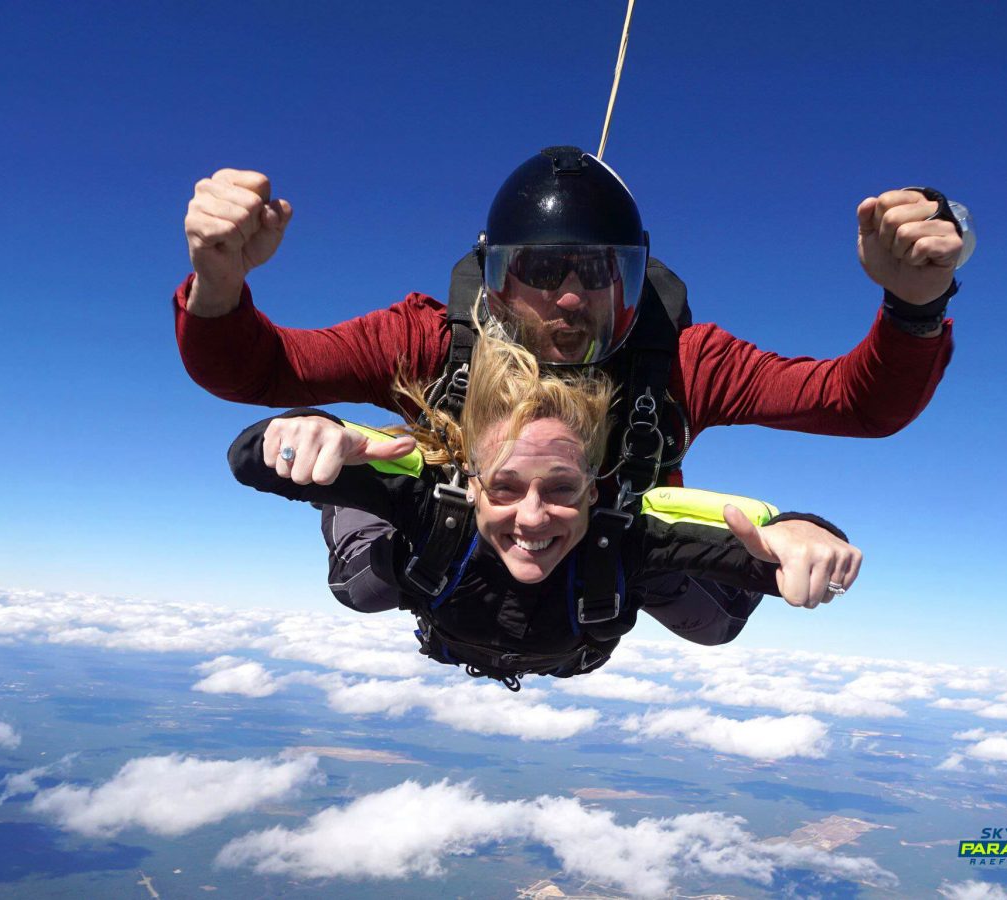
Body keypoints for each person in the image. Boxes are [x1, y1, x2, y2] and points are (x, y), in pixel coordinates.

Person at [179, 146, 962, 639]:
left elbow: (855, 404)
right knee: (367, 568)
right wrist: (220, 285)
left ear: (631, 280)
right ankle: (356, 472)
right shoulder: (427, 341)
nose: (568, 300)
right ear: (495, 280)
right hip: (446, 521)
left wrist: (913, 306)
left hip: (619, 546)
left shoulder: (683, 362)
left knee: (714, 622)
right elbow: (259, 370)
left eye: (597, 273)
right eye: (542, 271)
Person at [229, 318, 862, 690]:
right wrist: (301, 433)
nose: (531, 517)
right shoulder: (433, 502)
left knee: (714, 627)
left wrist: (805, 534)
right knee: (361, 582)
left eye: (561, 489)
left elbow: (770, 561)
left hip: (569, 642)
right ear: (470, 480)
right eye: (504, 487)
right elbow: (250, 462)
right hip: (436, 568)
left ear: (594, 487)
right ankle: (362, 474)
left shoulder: (622, 536)